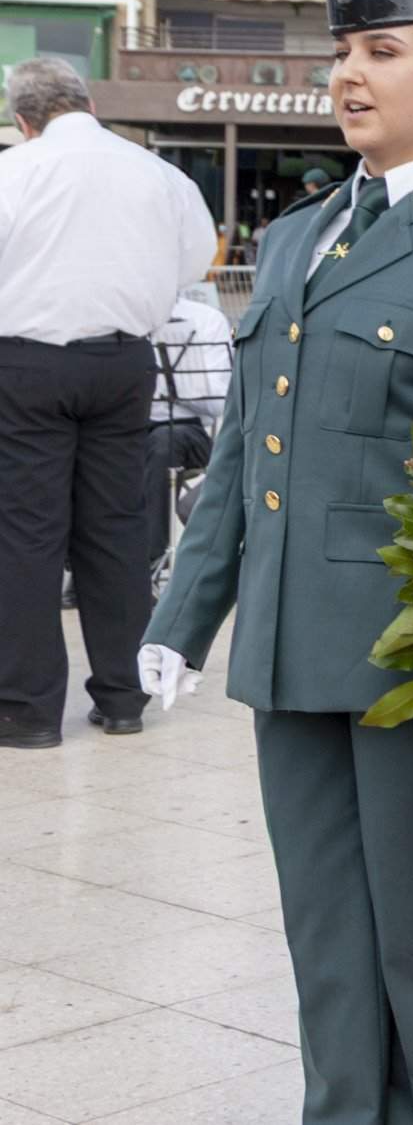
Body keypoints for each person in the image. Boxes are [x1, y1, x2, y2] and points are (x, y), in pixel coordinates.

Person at [139, 0, 413, 1121]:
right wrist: (186, 618)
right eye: (342, 52)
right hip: (289, 644)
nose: (349, 74)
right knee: (327, 933)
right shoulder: (297, 237)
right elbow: (243, 450)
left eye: (382, 51)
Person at [0, 56, 217, 747]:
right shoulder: (159, 173)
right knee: (118, 526)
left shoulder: (14, 170)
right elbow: (194, 262)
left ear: (23, 120)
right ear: (89, 103)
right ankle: (124, 695)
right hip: (126, 360)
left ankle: (27, 711)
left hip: (27, 361)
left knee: (27, 535)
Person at [139, 283, 234, 594]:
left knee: (164, 443)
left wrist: (176, 386)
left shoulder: (205, 319)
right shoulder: (124, 319)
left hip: (189, 428)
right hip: (131, 424)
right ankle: (79, 567)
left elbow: (221, 401)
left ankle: (148, 562)